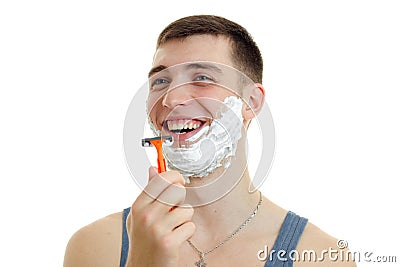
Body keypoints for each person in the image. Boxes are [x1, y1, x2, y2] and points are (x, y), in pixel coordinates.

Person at [64, 15, 356, 267]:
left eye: (202, 77)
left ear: (250, 102)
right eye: (160, 81)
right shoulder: (95, 247)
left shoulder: (322, 256)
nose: (171, 98)